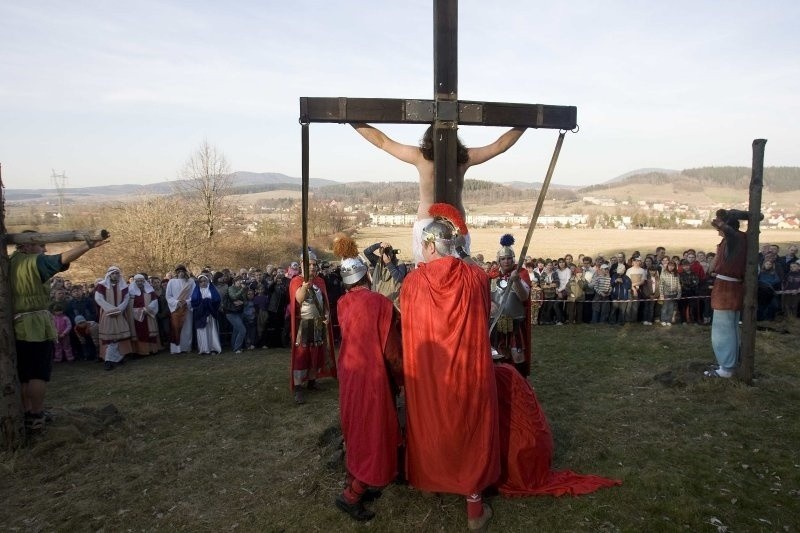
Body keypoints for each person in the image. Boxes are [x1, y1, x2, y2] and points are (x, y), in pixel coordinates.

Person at [400, 205, 498, 531]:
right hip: (468, 371)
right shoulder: (475, 277)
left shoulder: (413, 283)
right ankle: (474, 507)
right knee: (469, 425)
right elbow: (483, 308)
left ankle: (434, 481)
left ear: (429, 246)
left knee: (433, 421)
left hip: (430, 373)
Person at [351, 122, 527, 264]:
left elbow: (383, 142)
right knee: (457, 277)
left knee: (430, 277)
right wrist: (523, 124)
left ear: (428, 138)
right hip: (454, 225)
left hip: (435, 223)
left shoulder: (420, 156)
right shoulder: (463, 158)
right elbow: (500, 146)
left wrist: (352, 121)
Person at [10, 233, 107, 431]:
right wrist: (87, 245)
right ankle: (36, 414)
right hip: (34, 326)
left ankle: (27, 412)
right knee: (38, 374)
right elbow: (60, 259)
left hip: (16, 325)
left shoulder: (9, 263)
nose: (44, 250)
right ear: (26, 246)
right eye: (41, 245)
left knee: (24, 374)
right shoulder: (31, 263)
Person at [334, 255, 403, 522]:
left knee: (356, 431)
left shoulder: (342, 302)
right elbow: (392, 351)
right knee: (375, 435)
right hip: (372, 378)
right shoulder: (379, 303)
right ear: (366, 276)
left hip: (350, 375)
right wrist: (402, 376)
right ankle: (352, 495)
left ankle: (356, 482)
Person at [288, 252, 336, 404]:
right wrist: (304, 286)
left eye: (314, 264)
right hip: (305, 322)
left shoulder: (320, 281)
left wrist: (327, 314)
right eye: (309, 264)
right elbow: (298, 299)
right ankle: (298, 387)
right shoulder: (296, 281)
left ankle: (312, 381)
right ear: (302, 264)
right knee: (302, 355)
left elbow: (324, 302)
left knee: (317, 353)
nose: (313, 267)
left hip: (319, 322)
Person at [705, 209, 748, 378]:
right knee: (730, 328)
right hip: (728, 287)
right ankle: (729, 363)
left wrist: (722, 222)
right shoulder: (737, 239)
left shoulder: (735, 238)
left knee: (723, 330)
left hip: (727, 289)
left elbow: (730, 232)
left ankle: (726, 368)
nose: (717, 232)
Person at [489, 234, 531, 376]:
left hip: (516, 323)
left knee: (517, 355)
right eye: (503, 259)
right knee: (498, 355)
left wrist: (517, 280)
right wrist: (489, 303)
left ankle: (521, 385)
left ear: (513, 259)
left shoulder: (521, 274)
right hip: (496, 323)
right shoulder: (492, 276)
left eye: (509, 258)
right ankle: (502, 385)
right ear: (498, 260)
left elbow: (524, 296)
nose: (506, 261)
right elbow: (484, 296)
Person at [94, 266, 133, 370]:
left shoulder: (123, 286)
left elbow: (126, 299)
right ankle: (108, 360)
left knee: (119, 338)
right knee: (109, 339)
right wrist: (111, 310)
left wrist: (119, 309)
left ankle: (118, 358)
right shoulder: (101, 286)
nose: (115, 275)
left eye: (117, 273)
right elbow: (99, 299)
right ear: (109, 275)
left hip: (120, 314)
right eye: (113, 274)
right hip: (107, 315)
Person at [363, 241, 408, 308]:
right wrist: (379, 244)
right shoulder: (378, 262)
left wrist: (389, 263)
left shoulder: (399, 263)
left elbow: (399, 278)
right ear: (381, 253)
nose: (387, 254)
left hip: (393, 304)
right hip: (378, 302)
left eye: (389, 251)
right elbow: (366, 252)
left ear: (392, 252)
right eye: (385, 252)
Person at [128, 274, 160, 355]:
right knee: (138, 333)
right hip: (136, 316)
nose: (139, 283)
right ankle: (141, 351)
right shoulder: (131, 292)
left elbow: (154, 301)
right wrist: (137, 312)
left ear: (144, 281)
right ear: (135, 282)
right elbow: (128, 304)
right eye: (137, 281)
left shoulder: (150, 291)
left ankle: (152, 349)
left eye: (141, 281)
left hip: (148, 314)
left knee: (150, 332)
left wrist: (147, 309)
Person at [165, 265, 195, 354]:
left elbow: (194, 295)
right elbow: (168, 296)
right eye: (179, 271)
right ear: (176, 272)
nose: (181, 273)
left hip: (187, 308)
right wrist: (176, 302)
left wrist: (187, 301)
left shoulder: (191, 281)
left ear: (185, 272)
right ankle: (176, 349)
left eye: (182, 271)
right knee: (175, 327)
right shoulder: (171, 282)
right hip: (176, 308)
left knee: (187, 328)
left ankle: (186, 347)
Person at [190, 273, 222, 355]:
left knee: (211, 331)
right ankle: (204, 349)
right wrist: (203, 303)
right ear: (198, 283)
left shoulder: (211, 289)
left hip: (210, 314)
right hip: (200, 315)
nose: (203, 283)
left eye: (205, 281)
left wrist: (208, 302)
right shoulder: (196, 291)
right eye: (201, 282)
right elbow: (194, 302)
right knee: (202, 331)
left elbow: (217, 299)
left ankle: (213, 348)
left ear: (208, 281)